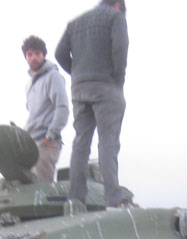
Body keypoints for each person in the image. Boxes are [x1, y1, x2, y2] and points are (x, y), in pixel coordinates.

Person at [55, 0, 128, 207]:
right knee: (108, 141)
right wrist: (117, 81)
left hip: (80, 89)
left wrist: (77, 73)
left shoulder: (74, 23)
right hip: (106, 86)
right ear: (117, 5)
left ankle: (75, 199)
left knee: (80, 144)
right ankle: (113, 198)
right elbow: (120, 50)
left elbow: (59, 53)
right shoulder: (116, 17)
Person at [21, 35, 69, 183]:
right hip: (31, 143)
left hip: (46, 142)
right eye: (30, 54)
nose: (33, 57)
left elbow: (62, 108)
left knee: (41, 188)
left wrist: (50, 136)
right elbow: (34, 114)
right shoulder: (29, 85)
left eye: (37, 53)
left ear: (43, 55)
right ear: (26, 57)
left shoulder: (53, 77)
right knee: (27, 188)